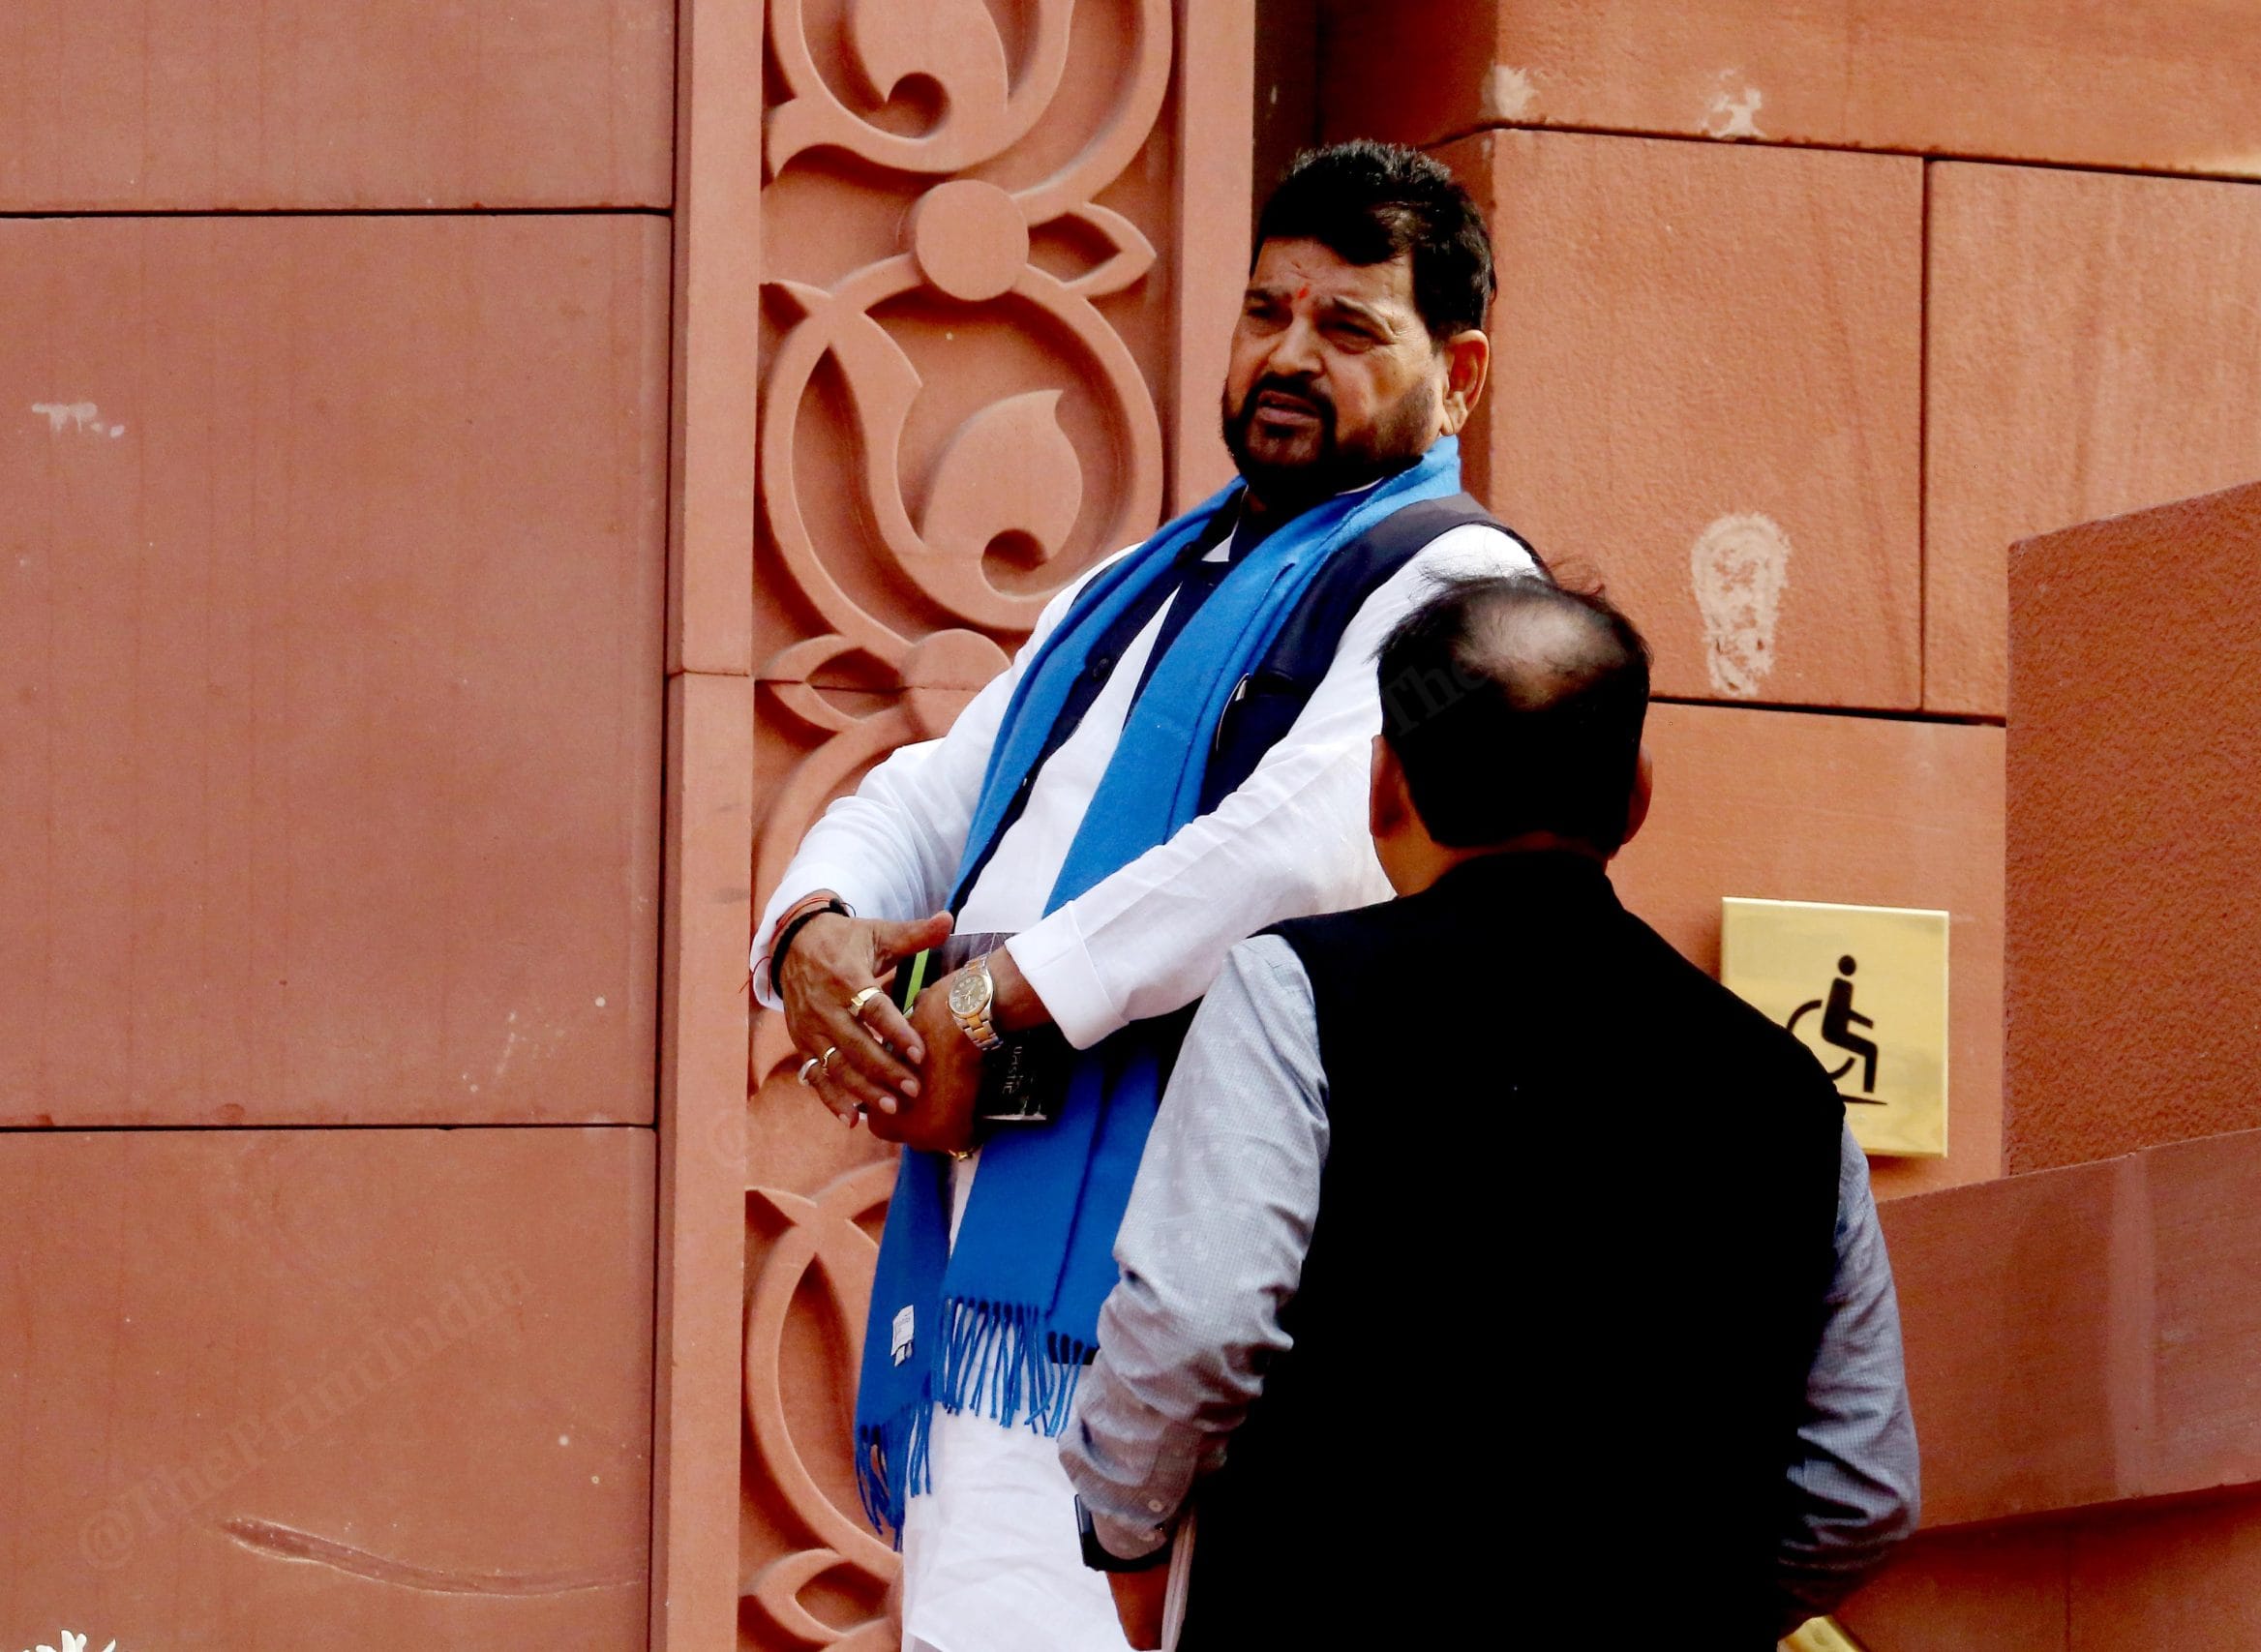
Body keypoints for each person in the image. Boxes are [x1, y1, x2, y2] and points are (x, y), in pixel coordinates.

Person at [748, 142, 1540, 1652]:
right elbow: (941, 788)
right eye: (1264, 312)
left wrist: (983, 1001)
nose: (1288, 355)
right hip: (995, 1260)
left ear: (1461, 375)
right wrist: (818, 938)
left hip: (1203, 1283)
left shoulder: (1456, 582)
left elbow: (1289, 843)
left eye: (1349, 326)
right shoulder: (1133, 587)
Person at [1061, 577, 1921, 1650]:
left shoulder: (1296, 993)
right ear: (1635, 795)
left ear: (1385, 785)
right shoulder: (1786, 1083)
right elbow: (1860, 1491)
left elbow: (1195, 1326)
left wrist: (1130, 1540)